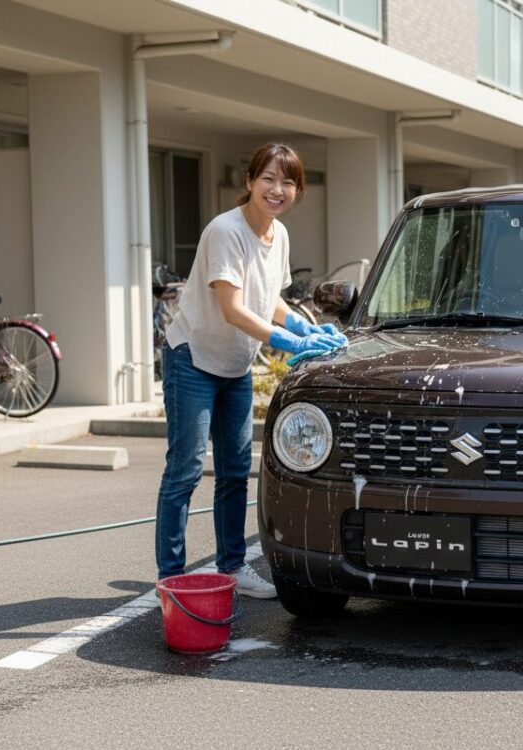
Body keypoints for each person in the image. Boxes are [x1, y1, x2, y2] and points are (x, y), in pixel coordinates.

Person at [155, 142, 346, 597]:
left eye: (288, 182)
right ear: (249, 182)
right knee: (184, 470)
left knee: (237, 470)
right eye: (269, 179)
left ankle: (233, 567)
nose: (277, 190)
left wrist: (302, 323)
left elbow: (269, 297)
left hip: (234, 364)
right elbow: (233, 307)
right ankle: (171, 576)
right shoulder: (226, 231)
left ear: (297, 191)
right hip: (193, 359)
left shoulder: (277, 234)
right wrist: (289, 341)